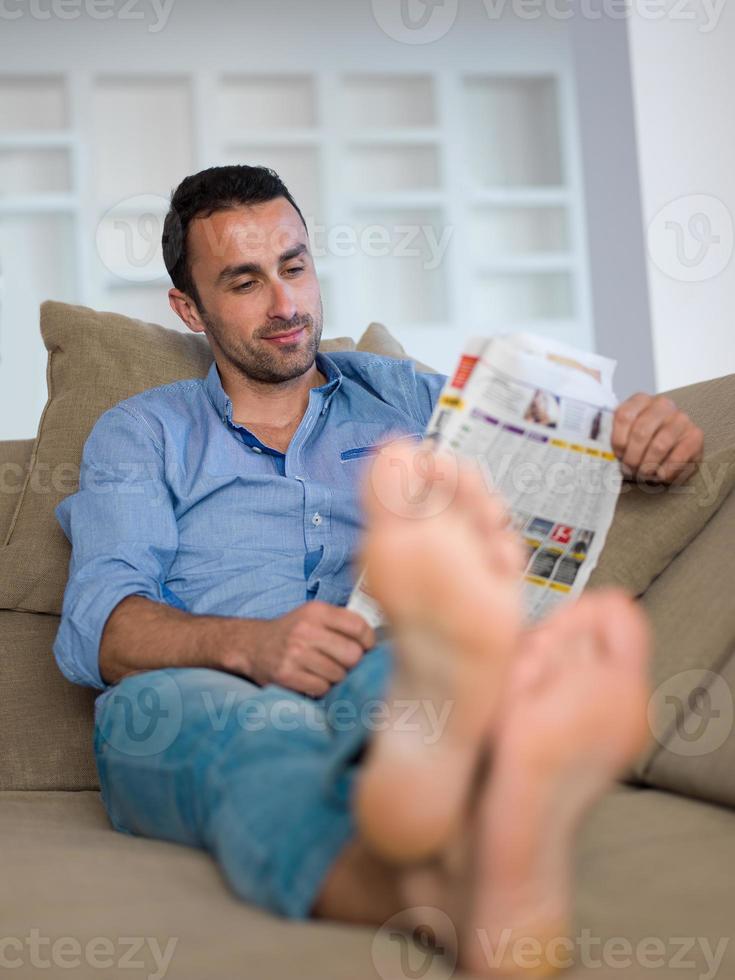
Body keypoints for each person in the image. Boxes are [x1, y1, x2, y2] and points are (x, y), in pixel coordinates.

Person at [54, 166, 704, 975]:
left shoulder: (401, 397)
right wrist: (251, 645)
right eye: (245, 282)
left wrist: (644, 434)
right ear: (190, 308)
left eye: (294, 266)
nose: (286, 305)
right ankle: (454, 863)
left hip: (379, 659)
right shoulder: (142, 432)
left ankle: (449, 812)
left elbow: (559, 449)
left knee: (405, 683)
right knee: (256, 738)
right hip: (197, 687)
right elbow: (100, 628)